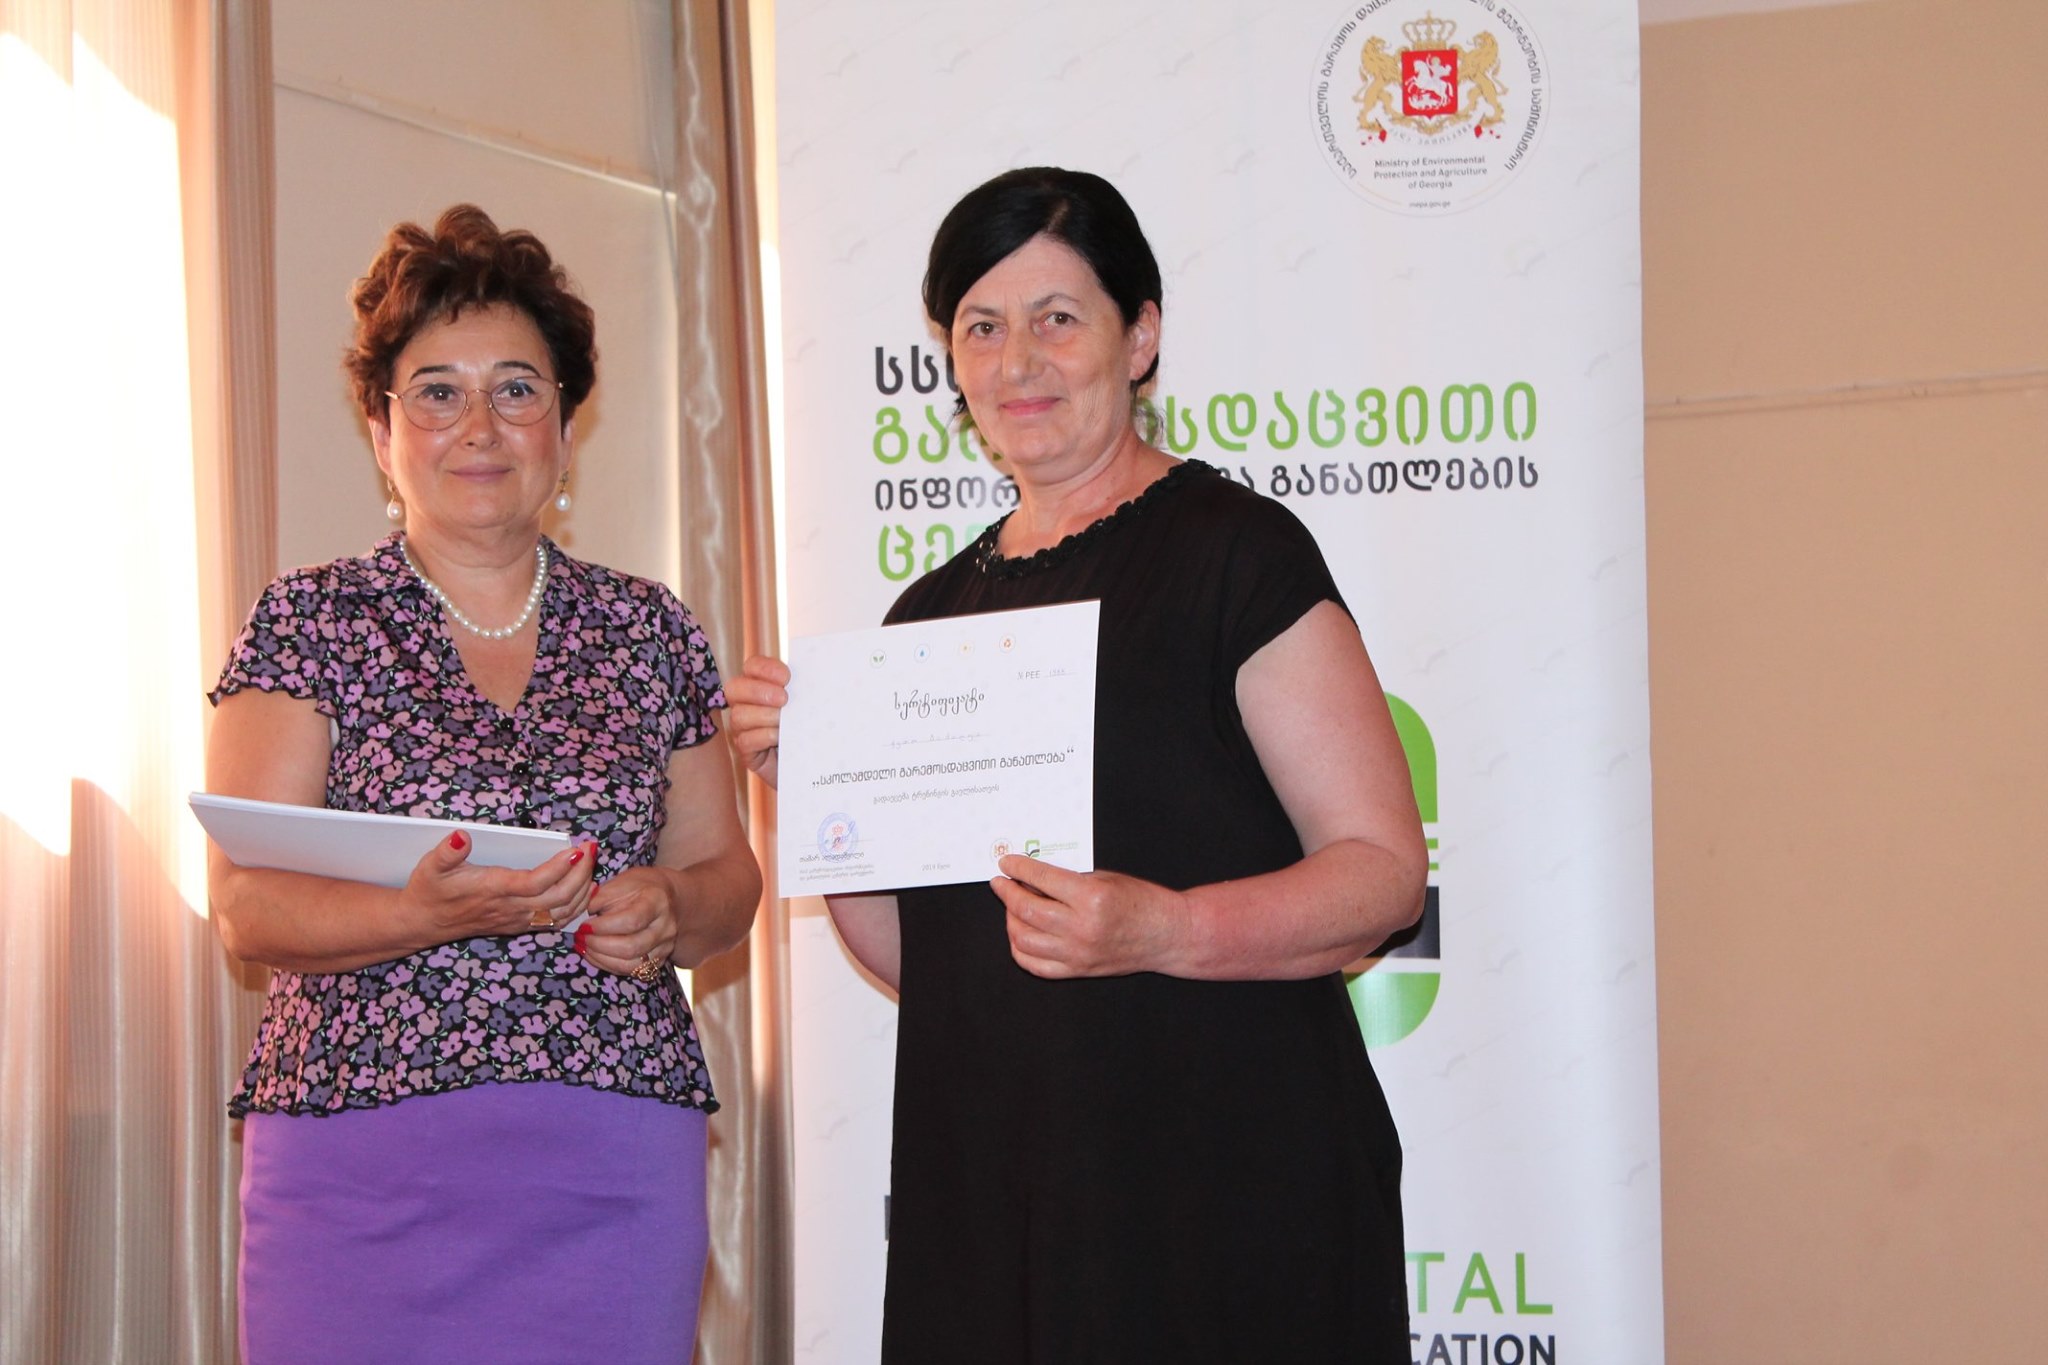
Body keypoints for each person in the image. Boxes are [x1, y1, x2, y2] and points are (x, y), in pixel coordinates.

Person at [727, 167, 1427, 1362]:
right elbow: (921, 956)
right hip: (994, 1193)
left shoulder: (1237, 555)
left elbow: (1380, 875)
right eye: (980, 328)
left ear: (1138, 336)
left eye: (1057, 318)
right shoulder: (924, 619)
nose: (1017, 362)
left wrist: (1163, 928)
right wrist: (818, 785)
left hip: (1225, 1177)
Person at [204, 205, 759, 1364]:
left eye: (516, 389)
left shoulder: (649, 628)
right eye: (436, 393)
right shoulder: (311, 619)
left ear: (563, 424)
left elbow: (726, 883)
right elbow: (248, 908)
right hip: (357, 1162)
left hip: (611, 1156)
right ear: (381, 430)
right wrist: (420, 914)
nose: (479, 426)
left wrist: (669, 908)